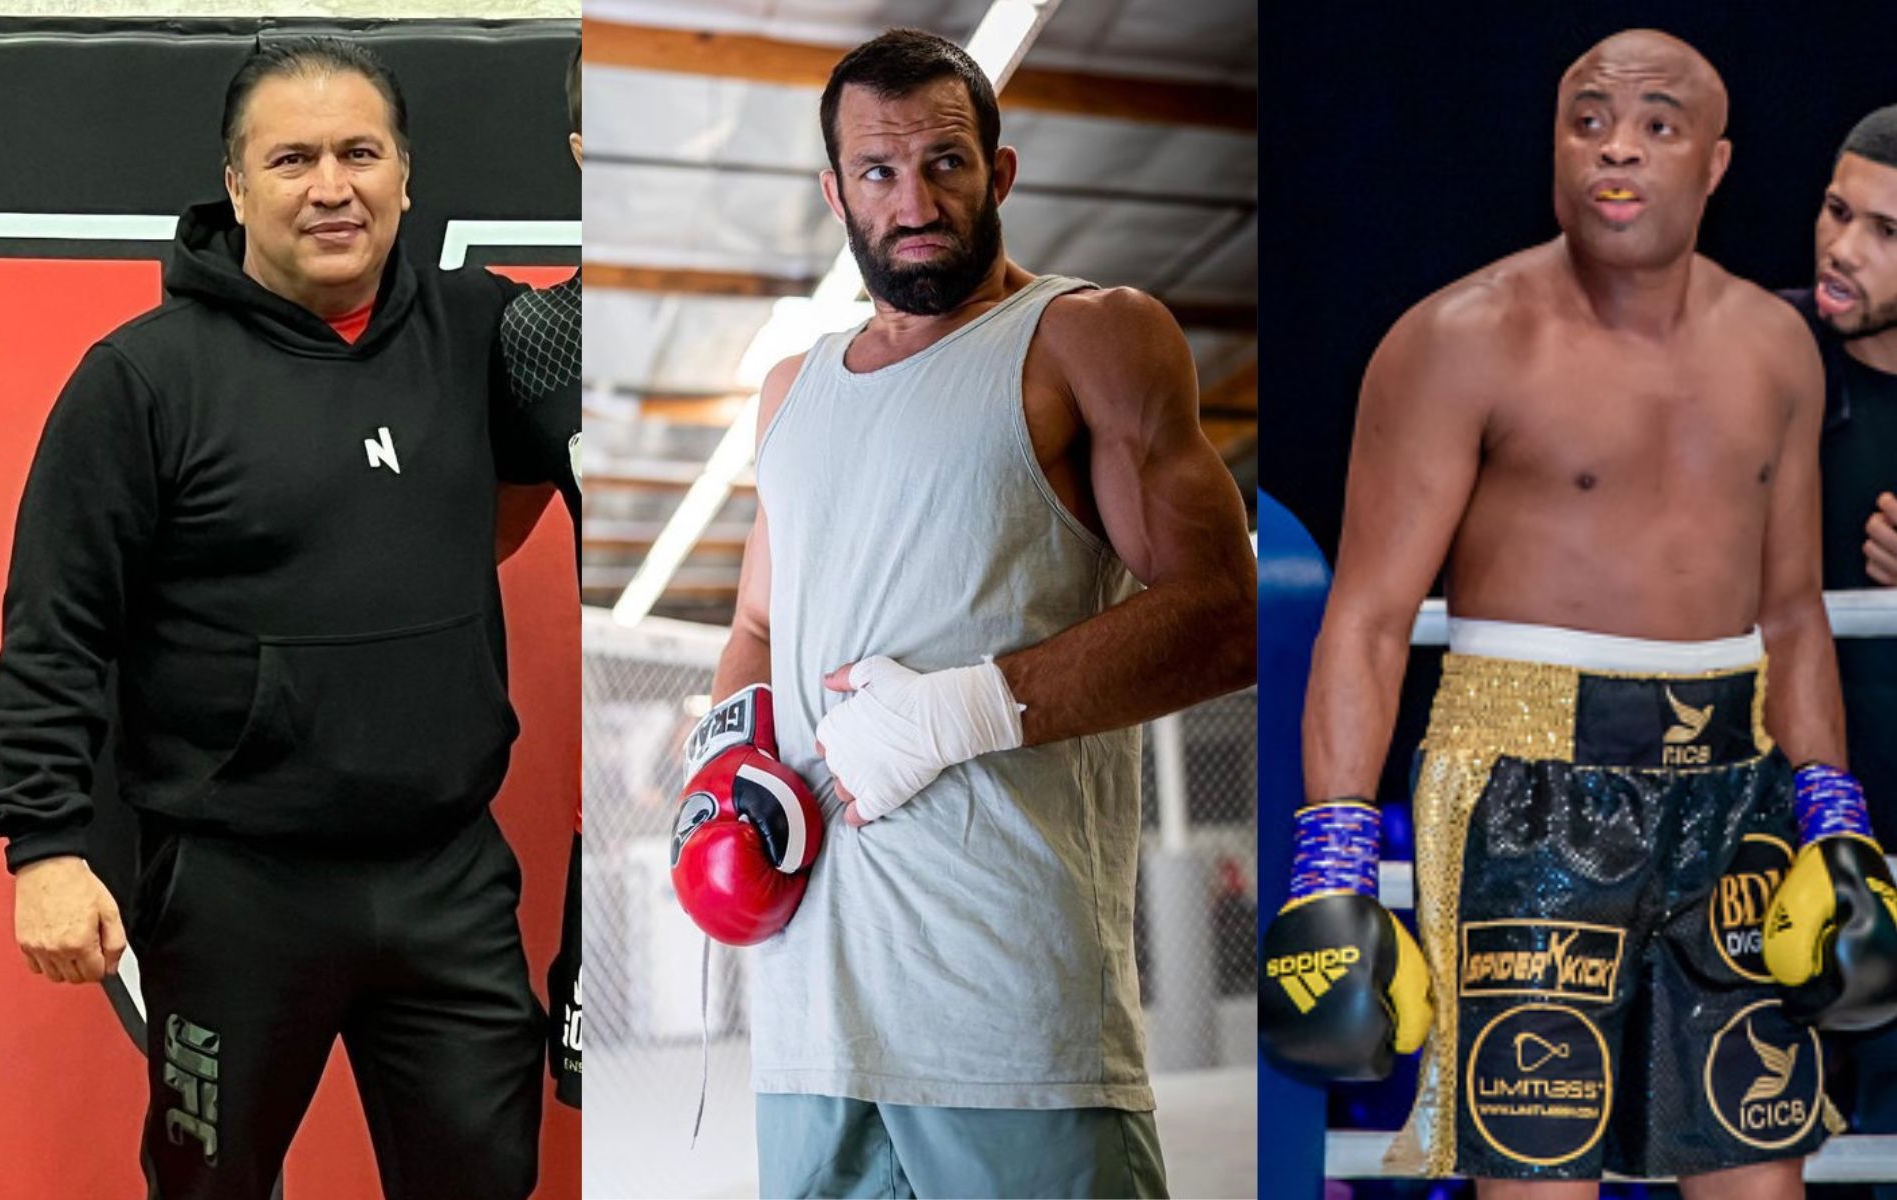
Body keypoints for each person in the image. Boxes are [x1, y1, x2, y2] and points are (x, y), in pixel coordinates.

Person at [1260, 30, 1897, 1196]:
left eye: (1659, 125)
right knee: (1535, 1175)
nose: (1618, 147)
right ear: (1553, 142)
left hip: (1733, 779)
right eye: (1590, 118)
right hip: (1522, 786)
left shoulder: (1776, 351)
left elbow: (1796, 615)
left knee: (1761, 1168)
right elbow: (1366, 616)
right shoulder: (1454, 339)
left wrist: (1835, 822)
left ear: (1715, 163)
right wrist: (1334, 859)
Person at [668, 27, 1256, 1200]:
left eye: (946, 160)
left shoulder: (1088, 336)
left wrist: (964, 712)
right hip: (809, 1010)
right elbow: (761, 630)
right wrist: (723, 769)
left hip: (1007, 1015)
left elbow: (1225, 613)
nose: (916, 198)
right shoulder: (792, 388)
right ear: (835, 191)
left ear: (1001, 170)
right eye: (878, 172)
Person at [0, 37, 549, 1200]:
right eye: (292, 158)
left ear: (406, 172)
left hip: (448, 878)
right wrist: (45, 847)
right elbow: (56, 631)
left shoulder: (486, 334)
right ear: (237, 186)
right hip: (234, 890)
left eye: (360, 152)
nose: (331, 186)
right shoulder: (142, 380)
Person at [1780, 102, 1897, 1200]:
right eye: (1835, 209)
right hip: (1767, 859)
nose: (1842, 248)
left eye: (1887, 232)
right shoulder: (1751, 353)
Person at [495, 37, 586, 1114]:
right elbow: (478, 540)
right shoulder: (542, 339)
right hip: (622, 798)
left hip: (844, 767)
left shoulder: (845, 322)